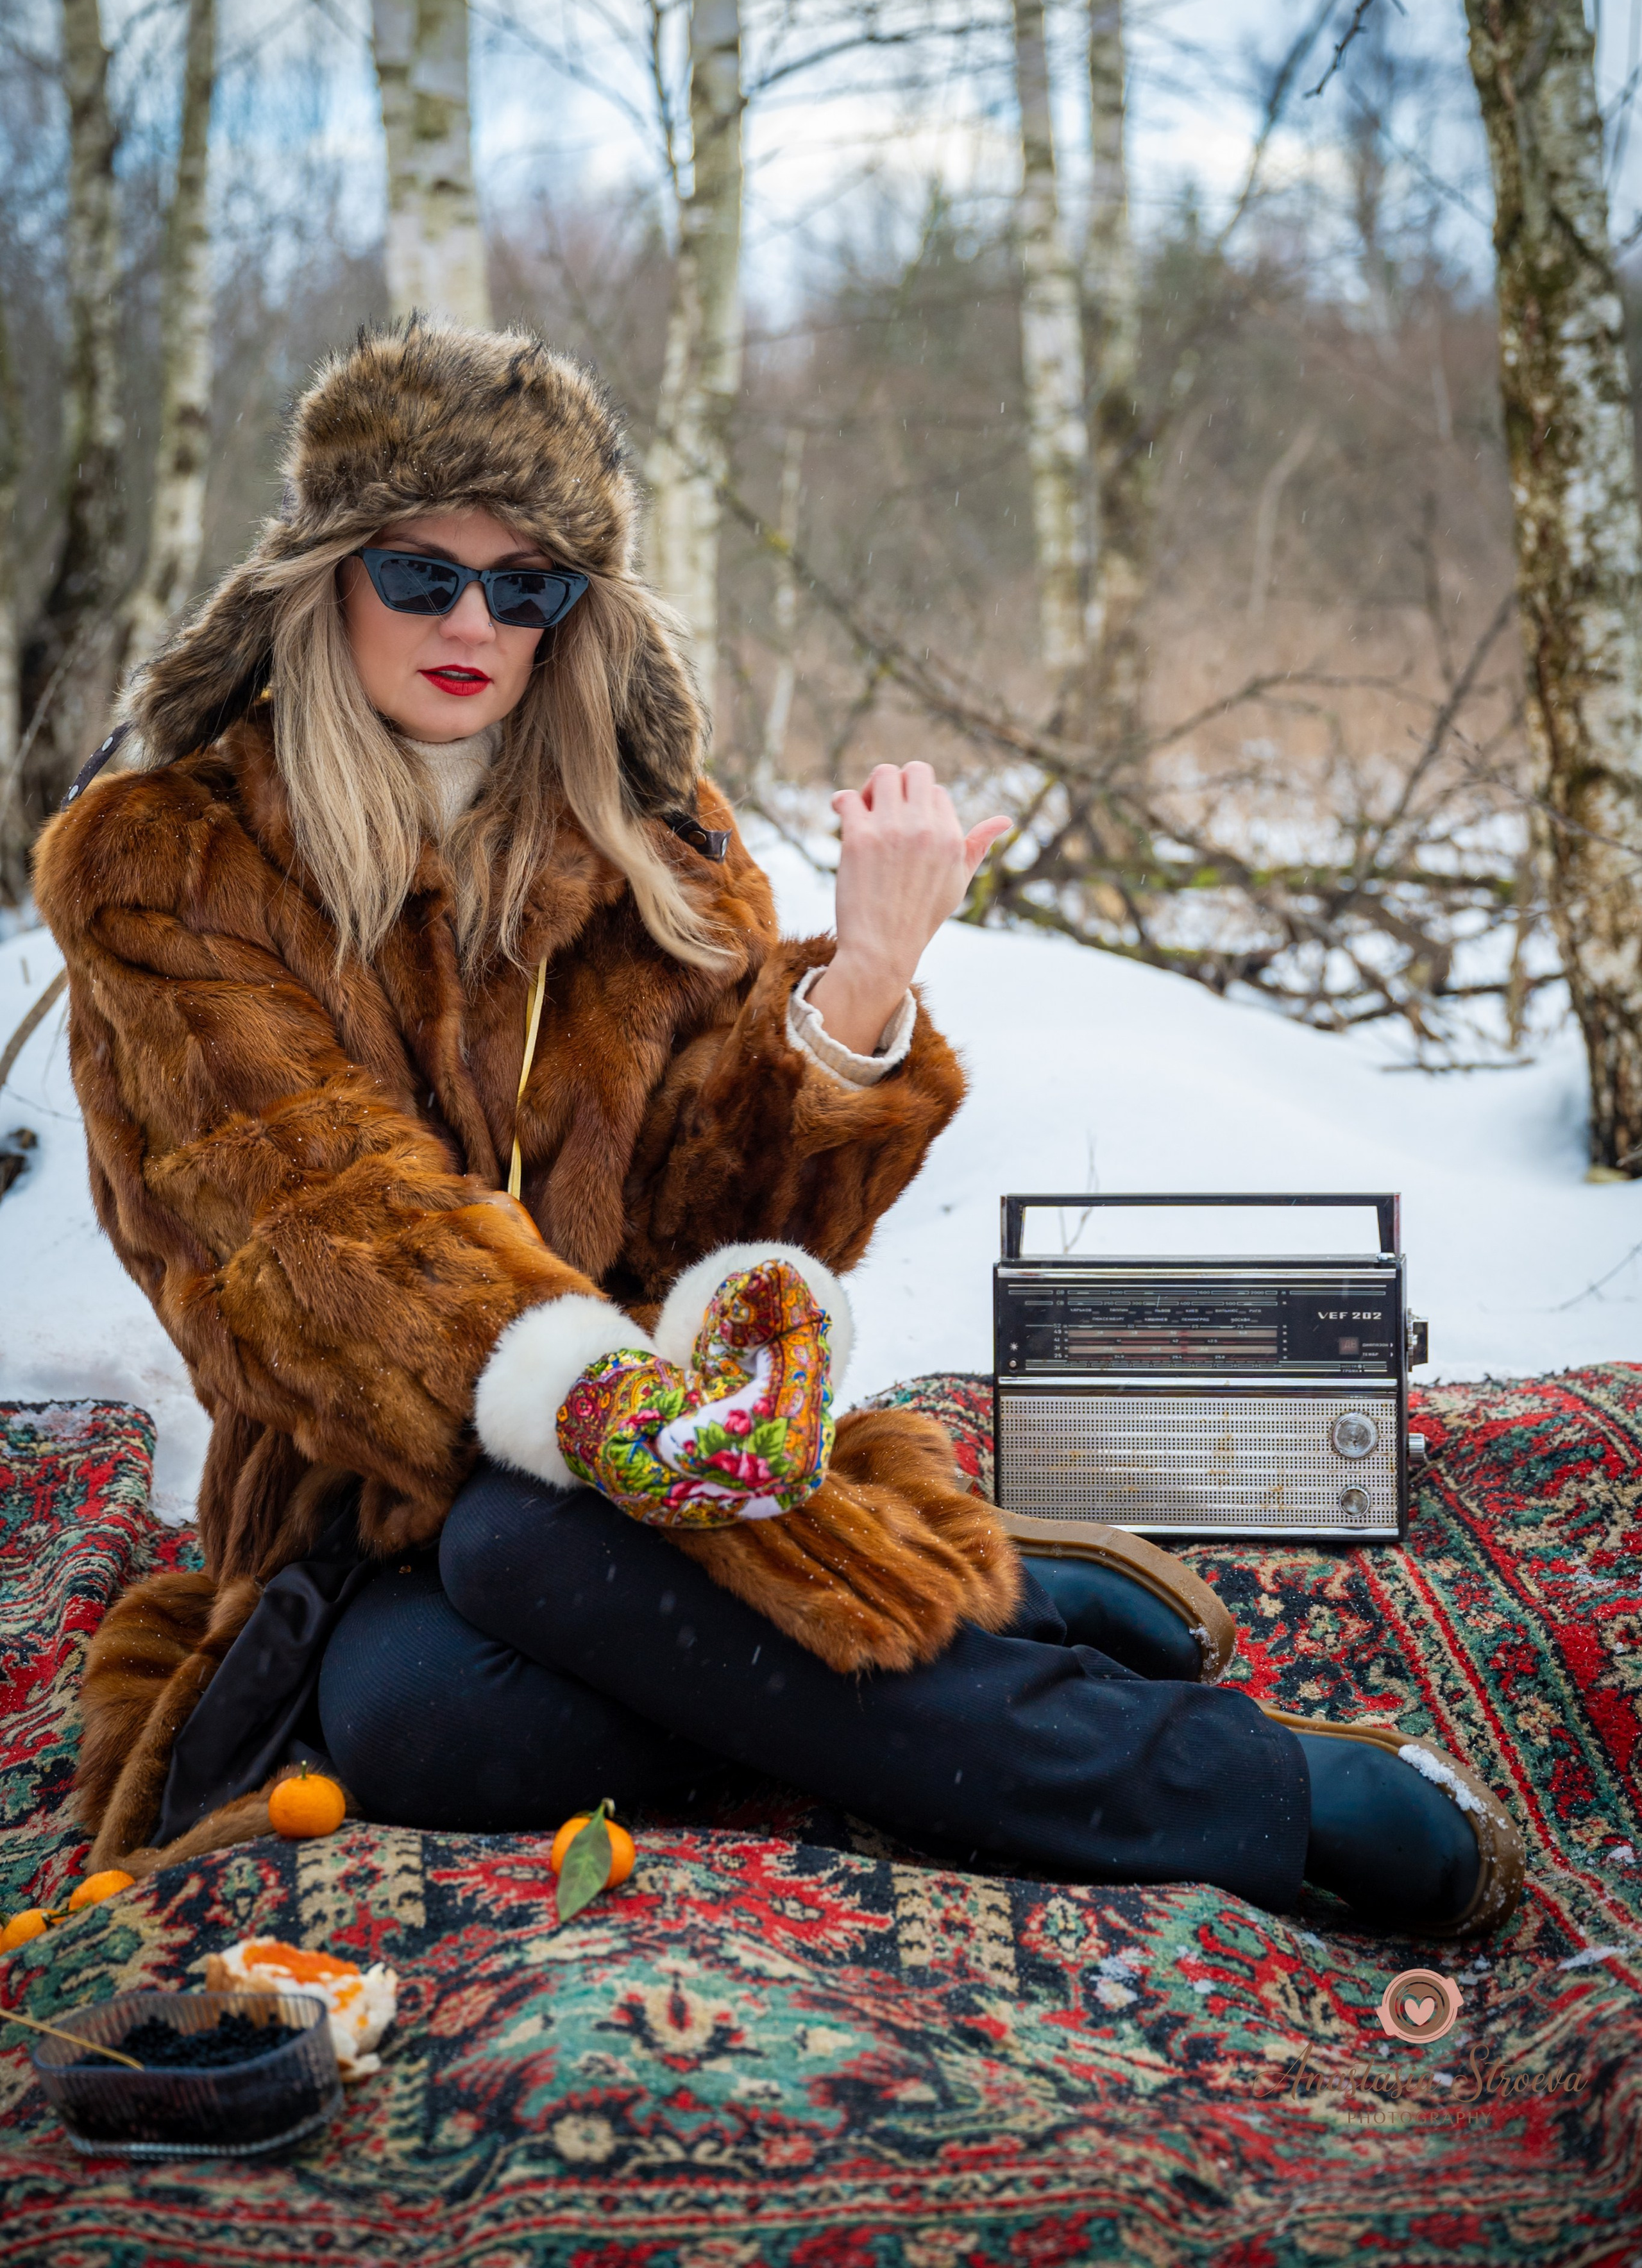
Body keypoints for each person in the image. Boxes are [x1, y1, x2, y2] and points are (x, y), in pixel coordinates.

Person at [34, 321, 1522, 1940]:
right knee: (426, 1719)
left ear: (569, 617)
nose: (473, 619)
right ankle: (971, 1605)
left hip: (625, 1491)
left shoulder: (651, 847)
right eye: (420, 572)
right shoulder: (167, 863)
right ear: (324, 578)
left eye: (525, 584)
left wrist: (861, 985)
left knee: (528, 1539)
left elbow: (709, 1244)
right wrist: (599, 1400)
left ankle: (1244, 1789)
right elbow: (312, 1237)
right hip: (352, 1499)